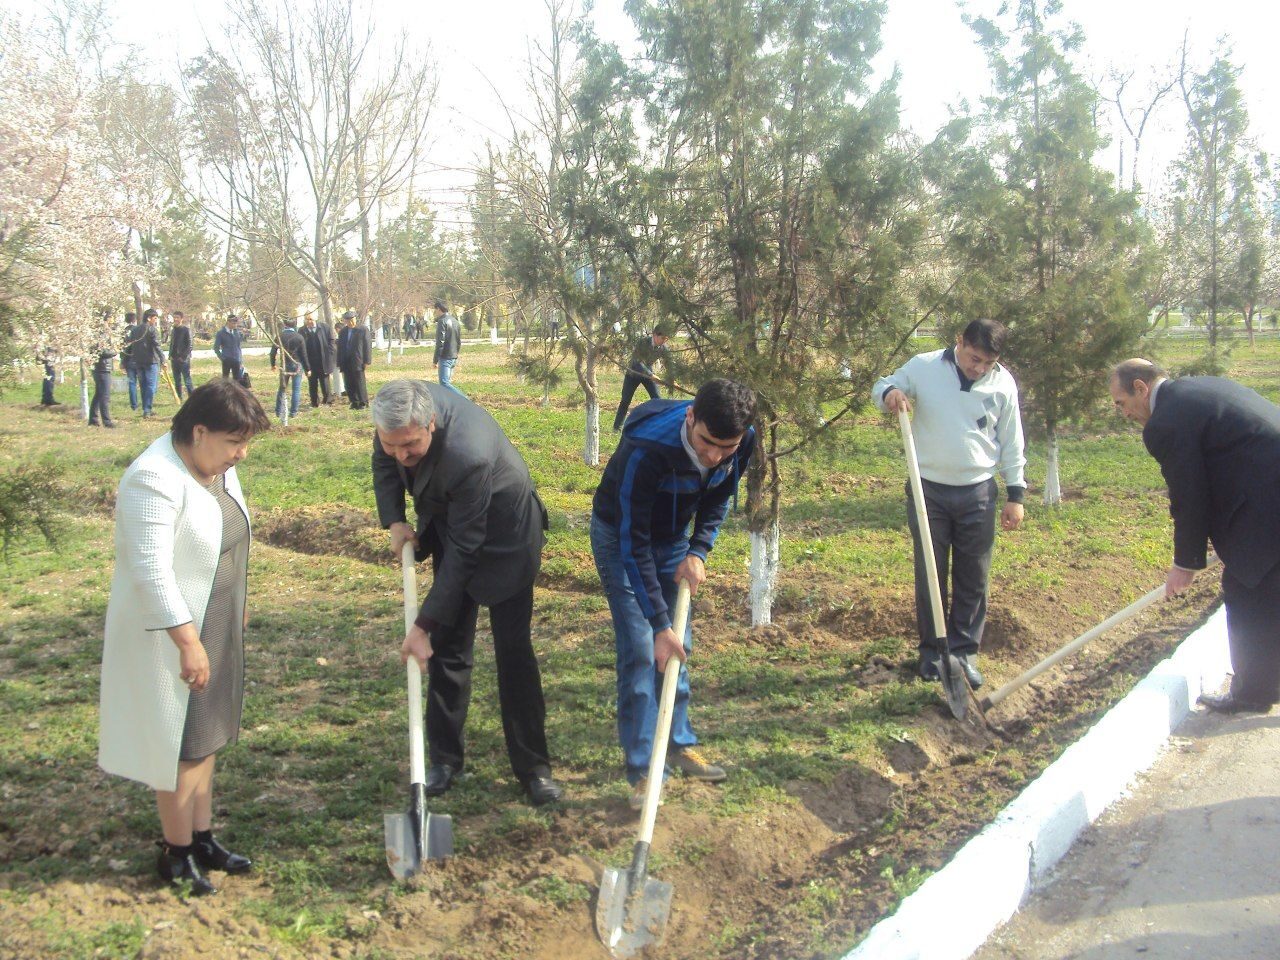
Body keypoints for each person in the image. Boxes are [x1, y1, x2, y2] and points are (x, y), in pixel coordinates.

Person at [98, 379, 271, 896]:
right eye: (233, 443)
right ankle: (175, 854)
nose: (240, 455)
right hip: (173, 633)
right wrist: (188, 643)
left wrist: (236, 604)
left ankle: (202, 837)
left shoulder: (215, 469)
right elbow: (152, 571)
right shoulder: (152, 479)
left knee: (206, 735)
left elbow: (228, 539)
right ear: (198, 431)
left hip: (214, 618)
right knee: (179, 743)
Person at [371, 379, 563, 806]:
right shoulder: (397, 413)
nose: (401, 455)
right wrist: (394, 519)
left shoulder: (466, 454)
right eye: (392, 444)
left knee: (513, 653)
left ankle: (534, 768)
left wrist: (421, 624)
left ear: (432, 424)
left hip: (505, 536)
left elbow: (466, 549)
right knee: (450, 647)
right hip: (450, 521)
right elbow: (385, 463)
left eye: (411, 447)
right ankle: (443, 759)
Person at [591, 378, 756, 810]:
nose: (714, 455)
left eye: (727, 446)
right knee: (645, 649)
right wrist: (659, 624)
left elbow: (719, 494)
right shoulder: (646, 450)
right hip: (622, 538)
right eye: (706, 442)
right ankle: (644, 769)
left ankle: (677, 742)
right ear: (690, 418)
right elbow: (633, 542)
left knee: (677, 645)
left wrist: (698, 550)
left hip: (674, 539)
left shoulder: (743, 439)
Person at [1109, 359, 1280, 713]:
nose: (1121, 412)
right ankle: (1260, 690)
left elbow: (1189, 495)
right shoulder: (1198, 388)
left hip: (1267, 503)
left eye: (1120, 402)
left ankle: (1253, 694)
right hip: (1266, 490)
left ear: (1140, 388)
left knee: (1248, 590)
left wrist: (1185, 563)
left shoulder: (1165, 423)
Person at [872, 318, 1026, 689]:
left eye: (987, 363)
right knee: (930, 571)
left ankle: (963, 653)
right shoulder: (924, 367)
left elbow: (1012, 437)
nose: (979, 368)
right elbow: (882, 385)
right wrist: (891, 394)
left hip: (978, 490)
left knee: (974, 574)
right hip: (929, 490)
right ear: (959, 342)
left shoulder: (1002, 383)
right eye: (974, 359)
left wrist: (1016, 493)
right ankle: (932, 653)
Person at [613, 324, 672, 430]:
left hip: (648, 375)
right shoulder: (643, 342)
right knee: (625, 400)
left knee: (657, 399)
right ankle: (617, 427)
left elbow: (669, 364)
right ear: (654, 335)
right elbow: (637, 362)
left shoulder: (663, 347)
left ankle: (658, 425)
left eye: (666, 339)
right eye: (662, 338)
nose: (664, 341)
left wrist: (672, 379)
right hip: (633, 373)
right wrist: (651, 375)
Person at [270, 317, 310, 421]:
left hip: (284, 365)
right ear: (294, 325)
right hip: (297, 364)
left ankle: (278, 411)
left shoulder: (279, 336)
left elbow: (273, 352)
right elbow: (304, 355)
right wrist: (307, 369)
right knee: (296, 389)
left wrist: (273, 364)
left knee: (282, 388)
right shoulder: (299, 337)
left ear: (285, 325)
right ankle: (293, 412)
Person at [337, 310, 371, 409]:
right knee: (348, 383)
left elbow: (367, 346)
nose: (350, 322)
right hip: (346, 360)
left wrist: (367, 361)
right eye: (347, 320)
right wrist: (339, 361)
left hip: (358, 360)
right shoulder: (343, 331)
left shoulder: (362, 330)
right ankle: (354, 401)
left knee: (359, 382)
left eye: (352, 319)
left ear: (355, 319)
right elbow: (340, 347)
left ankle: (363, 402)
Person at [301, 312, 337, 406]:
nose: (309, 321)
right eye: (307, 319)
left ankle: (328, 400)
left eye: (311, 319)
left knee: (325, 382)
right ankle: (314, 402)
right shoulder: (302, 330)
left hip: (323, 360)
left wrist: (330, 355)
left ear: (315, 319)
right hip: (310, 361)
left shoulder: (325, 328)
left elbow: (331, 342)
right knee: (312, 383)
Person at [137, 308, 166, 419]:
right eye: (154, 318)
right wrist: (163, 359)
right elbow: (157, 346)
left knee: (144, 386)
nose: (155, 321)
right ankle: (147, 409)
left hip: (138, 361)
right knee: (151, 386)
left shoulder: (135, 330)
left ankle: (146, 408)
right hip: (151, 361)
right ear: (149, 318)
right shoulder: (152, 329)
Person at [431, 299, 464, 397]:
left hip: (445, 357)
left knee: (444, 383)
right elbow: (458, 340)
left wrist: (435, 360)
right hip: (453, 356)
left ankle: (463, 399)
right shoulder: (455, 321)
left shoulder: (442, 321)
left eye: (435, 310)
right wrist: (456, 354)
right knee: (447, 383)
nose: (435, 312)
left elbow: (440, 342)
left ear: (438, 309)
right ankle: (450, 404)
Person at [88, 321, 118, 428]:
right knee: (104, 395)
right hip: (102, 368)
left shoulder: (100, 334)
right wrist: (114, 352)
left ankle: (93, 419)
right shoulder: (100, 335)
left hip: (101, 368)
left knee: (99, 394)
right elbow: (101, 351)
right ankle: (106, 421)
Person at [169, 312, 194, 399]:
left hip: (184, 360)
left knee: (187, 380)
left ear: (181, 319)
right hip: (174, 359)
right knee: (177, 380)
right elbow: (172, 344)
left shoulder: (186, 330)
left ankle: (192, 397)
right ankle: (179, 397)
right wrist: (170, 355)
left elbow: (190, 345)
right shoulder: (173, 330)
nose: (175, 319)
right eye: (174, 317)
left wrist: (183, 357)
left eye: (177, 317)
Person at [213, 315, 245, 381]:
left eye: (236, 323)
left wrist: (240, 360)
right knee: (225, 380)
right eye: (233, 323)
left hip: (236, 359)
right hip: (226, 359)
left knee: (237, 380)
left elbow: (238, 347)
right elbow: (216, 348)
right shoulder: (221, 333)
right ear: (228, 322)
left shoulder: (236, 332)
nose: (235, 325)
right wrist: (222, 358)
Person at [121, 311, 141, 411]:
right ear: (135, 320)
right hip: (139, 359)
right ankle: (145, 403)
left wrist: (122, 362)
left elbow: (122, 348)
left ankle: (134, 405)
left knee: (132, 383)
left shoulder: (123, 332)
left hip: (128, 360)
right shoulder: (138, 330)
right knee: (142, 382)